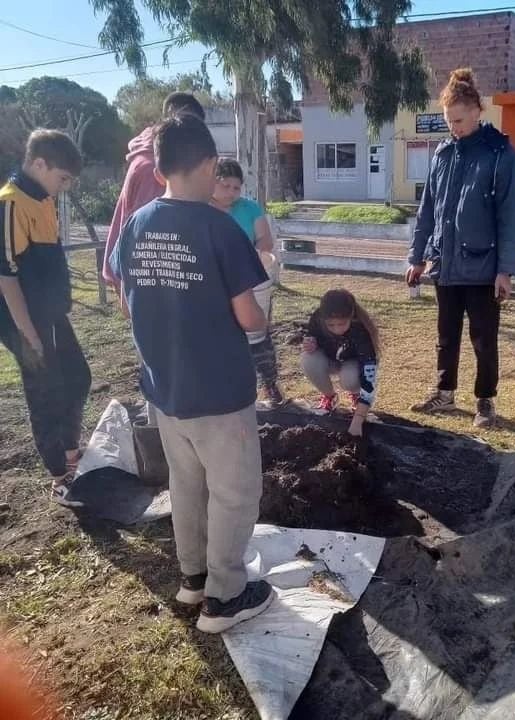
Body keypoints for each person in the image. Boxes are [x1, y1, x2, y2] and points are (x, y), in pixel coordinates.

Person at [110, 114, 274, 633]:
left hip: (165, 389)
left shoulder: (137, 223)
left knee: (187, 484)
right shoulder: (218, 227)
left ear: (158, 170)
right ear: (207, 165)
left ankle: (194, 576)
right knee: (234, 490)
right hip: (220, 390)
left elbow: (123, 294)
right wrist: (261, 317)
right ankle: (226, 597)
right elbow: (249, 315)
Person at [407, 68, 515, 429]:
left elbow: (508, 217)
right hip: (445, 265)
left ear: (477, 110)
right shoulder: (442, 155)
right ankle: (444, 394)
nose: (453, 127)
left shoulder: (501, 155)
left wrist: (505, 269)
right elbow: (427, 210)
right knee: (446, 335)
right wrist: (416, 258)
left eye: (458, 120)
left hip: (483, 267)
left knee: (483, 339)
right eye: (448, 121)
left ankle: (485, 401)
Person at [0, 129, 90, 505]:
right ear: (39, 164)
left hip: (49, 313)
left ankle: (71, 454)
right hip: (22, 319)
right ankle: (59, 477)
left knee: (78, 377)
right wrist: (29, 335)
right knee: (46, 392)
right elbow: (6, 277)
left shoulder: (44, 198)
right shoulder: (10, 202)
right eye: (62, 177)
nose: (64, 187)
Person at [102, 92, 206, 288]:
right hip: (142, 275)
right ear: (175, 120)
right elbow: (148, 234)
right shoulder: (153, 167)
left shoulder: (156, 156)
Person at [211, 157, 284, 407]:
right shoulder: (202, 209)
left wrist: (253, 254)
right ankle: (228, 389)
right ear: (213, 182)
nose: (231, 193)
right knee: (224, 337)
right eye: (225, 186)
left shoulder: (249, 208)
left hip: (251, 280)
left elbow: (265, 239)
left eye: (236, 188)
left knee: (259, 334)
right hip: (217, 284)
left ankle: (270, 384)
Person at [301, 289, 380, 437]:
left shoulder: (361, 330)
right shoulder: (318, 318)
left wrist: (358, 420)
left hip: (353, 364)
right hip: (331, 359)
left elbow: (369, 379)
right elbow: (311, 336)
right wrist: (310, 343)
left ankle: (356, 396)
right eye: (331, 325)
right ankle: (330, 397)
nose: (337, 329)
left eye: (342, 324)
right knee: (308, 359)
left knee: (350, 379)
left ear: (351, 317)